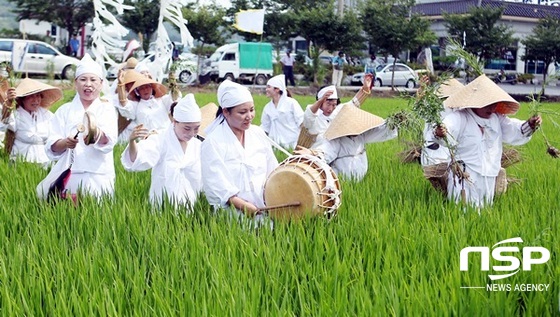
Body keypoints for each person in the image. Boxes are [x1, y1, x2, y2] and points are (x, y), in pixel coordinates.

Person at [433, 74, 541, 208]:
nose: (491, 108)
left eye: (493, 104)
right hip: (464, 178)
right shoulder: (460, 117)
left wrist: (530, 125)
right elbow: (447, 128)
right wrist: (440, 132)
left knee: (484, 213)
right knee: (461, 213)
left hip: (488, 176)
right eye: (487, 104)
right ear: (476, 102)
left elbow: (514, 129)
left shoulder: (497, 119)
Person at [39, 53, 118, 199]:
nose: (88, 84)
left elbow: (110, 141)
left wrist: (95, 134)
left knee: (99, 216)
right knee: (68, 214)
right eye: (83, 79)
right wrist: (65, 143)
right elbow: (52, 145)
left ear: (101, 84)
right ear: (76, 83)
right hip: (70, 172)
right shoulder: (64, 111)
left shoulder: (107, 109)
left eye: (93, 80)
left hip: (99, 174)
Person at [201, 80, 278, 220]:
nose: (249, 116)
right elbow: (215, 182)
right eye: (242, 112)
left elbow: (273, 168)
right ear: (225, 112)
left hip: (265, 208)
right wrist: (242, 205)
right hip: (232, 214)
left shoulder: (257, 133)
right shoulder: (214, 141)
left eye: (252, 110)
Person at [121, 94, 202, 209]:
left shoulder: (197, 145)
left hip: (191, 204)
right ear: (174, 121)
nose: (191, 133)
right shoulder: (160, 138)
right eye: (187, 128)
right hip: (163, 203)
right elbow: (138, 158)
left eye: (196, 128)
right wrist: (132, 142)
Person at [295, 104, 397, 181]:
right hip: (343, 180)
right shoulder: (335, 139)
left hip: (360, 179)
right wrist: (313, 154)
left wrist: (394, 123)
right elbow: (325, 151)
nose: (356, 129)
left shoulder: (361, 135)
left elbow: (378, 130)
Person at [298, 73, 373, 148]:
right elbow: (309, 116)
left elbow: (354, 103)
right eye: (328, 104)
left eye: (334, 105)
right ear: (320, 102)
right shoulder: (314, 117)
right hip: (316, 155)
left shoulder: (336, 112)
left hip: (334, 154)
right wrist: (321, 100)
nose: (330, 108)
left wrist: (365, 88)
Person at [0, 78, 62, 166]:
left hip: (45, 160)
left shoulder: (47, 115)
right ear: (23, 99)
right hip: (21, 161)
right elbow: (4, 124)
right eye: (31, 96)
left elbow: (58, 131)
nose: (36, 100)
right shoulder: (16, 115)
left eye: (38, 96)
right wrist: (9, 102)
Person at [261, 74, 304, 148]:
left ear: (277, 89)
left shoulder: (291, 103)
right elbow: (265, 128)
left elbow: (301, 122)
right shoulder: (267, 108)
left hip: (293, 144)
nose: (266, 89)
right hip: (275, 145)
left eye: (268, 87)